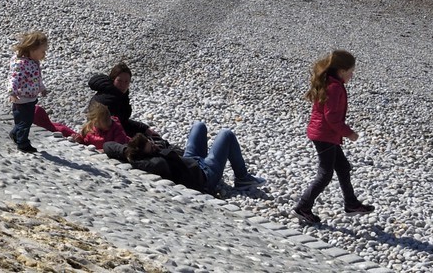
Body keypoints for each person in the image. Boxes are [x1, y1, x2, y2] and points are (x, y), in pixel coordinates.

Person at [292, 49, 375, 227]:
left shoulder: (329, 82)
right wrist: (349, 133)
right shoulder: (334, 87)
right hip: (325, 136)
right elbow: (332, 118)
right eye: (351, 72)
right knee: (325, 173)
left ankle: (351, 204)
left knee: (343, 167)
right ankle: (303, 207)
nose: (352, 75)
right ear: (342, 71)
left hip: (323, 134)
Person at [108, 123, 264, 196]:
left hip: (190, 160)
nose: (155, 146)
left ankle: (242, 177)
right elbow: (158, 161)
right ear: (146, 154)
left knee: (199, 126)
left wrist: (126, 151)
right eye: (151, 147)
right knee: (226, 134)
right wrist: (147, 153)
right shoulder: (156, 163)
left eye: (152, 143)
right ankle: (243, 178)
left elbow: (109, 145)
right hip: (204, 176)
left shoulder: (143, 154)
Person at [87, 61, 161, 141]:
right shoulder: (109, 99)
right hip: (101, 136)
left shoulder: (117, 94)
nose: (123, 85)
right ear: (113, 80)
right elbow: (115, 126)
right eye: (119, 81)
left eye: (126, 81)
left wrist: (145, 128)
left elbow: (122, 121)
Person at [7, 30, 50, 154]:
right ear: (32, 49)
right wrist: (12, 92)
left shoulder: (33, 62)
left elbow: (36, 78)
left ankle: (15, 134)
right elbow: (13, 78)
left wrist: (41, 88)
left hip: (30, 98)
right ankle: (23, 143)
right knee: (24, 122)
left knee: (26, 121)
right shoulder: (21, 63)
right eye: (42, 51)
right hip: (21, 98)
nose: (44, 54)